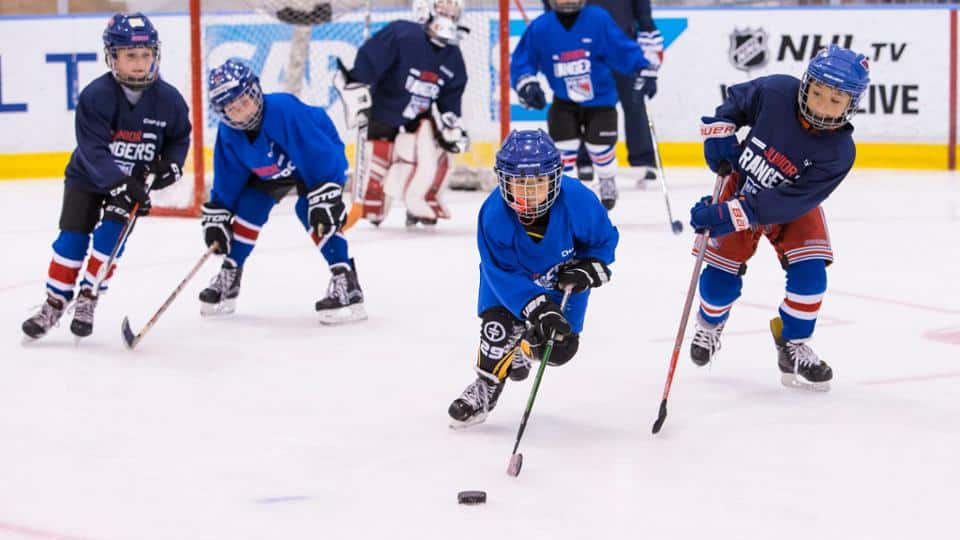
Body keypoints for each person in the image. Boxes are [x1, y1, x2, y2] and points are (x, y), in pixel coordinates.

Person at [688, 45, 870, 391]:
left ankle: (791, 343)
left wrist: (732, 213)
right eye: (817, 93)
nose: (821, 105)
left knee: (810, 278)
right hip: (743, 185)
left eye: (835, 100)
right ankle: (710, 323)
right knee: (718, 282)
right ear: (805, 84)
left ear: (852, 104)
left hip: (792, 207)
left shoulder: (839, 152)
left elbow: (792, 201)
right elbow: (736, 103)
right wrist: (722, 130)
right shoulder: (776, 91)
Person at [21, 12, 190, 340]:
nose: (139, 64)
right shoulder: (95, 95)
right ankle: (54, 302)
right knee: (71, 240)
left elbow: (179, 138)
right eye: (130, 56)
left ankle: (89, 297)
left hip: (133, 183)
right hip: (87, 177)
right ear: (112, 57)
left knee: (109, 239)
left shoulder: (169, 100)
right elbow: (93, 150)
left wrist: (170, 166)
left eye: (146, 55)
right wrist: (120, 183)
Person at [448, 129, 619, 428]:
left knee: (559, 349)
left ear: (555, 178)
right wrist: (536, 307)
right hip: (510, 283)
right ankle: (486, 385)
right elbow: (501, 272)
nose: (529, 192)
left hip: (561, 280)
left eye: (538, 182)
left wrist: (589, 267)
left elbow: (603, 241)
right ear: (504, 180)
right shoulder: (493, 214)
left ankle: (524, 347)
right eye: (520, 183)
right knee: (498, 329)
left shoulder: (578, 200)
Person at [199, 58, 365, 324]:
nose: (242, 112)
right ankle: (230, 273)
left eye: (245, 101)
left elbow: (320, 150)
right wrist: (219, 212)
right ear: (223, 113)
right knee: (249, 205)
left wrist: (328, 190)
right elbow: (227, 176)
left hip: (309, 160)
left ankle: (346, 280)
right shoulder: (229, 133)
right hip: (269, 169)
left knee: (313, 210)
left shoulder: (283, 110)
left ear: (255, 91)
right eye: (233, 109)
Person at [511, 0, 659, 211]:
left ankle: (606, 178)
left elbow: (621, 47)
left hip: (601, 100)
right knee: (563, 147)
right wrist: (526, 83)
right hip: (564, 100)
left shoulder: (597, 19)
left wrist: (644, 68)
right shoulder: (542, 26)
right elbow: (523, 59)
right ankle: (566, 190)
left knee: (599, 147)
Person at [336, 0, 469, 228]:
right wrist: (358, 83)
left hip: (416, 117)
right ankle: (374, 202)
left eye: (453, 11)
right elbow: (370, 60)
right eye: (443, 8)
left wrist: (452, 122)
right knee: (377, 170)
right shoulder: (403, 35)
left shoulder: (453, 56)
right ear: (426, 8)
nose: (448, 15)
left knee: (439, 152)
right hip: (383, 112)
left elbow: (451, 94)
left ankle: (421, 199)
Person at [541, 0, 664, 185]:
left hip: (622, 49)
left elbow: (645, 17)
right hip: (584, 50)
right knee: (582, 103)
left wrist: (648, 64)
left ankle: (643, 160)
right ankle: (584, 160)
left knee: (634, 102)